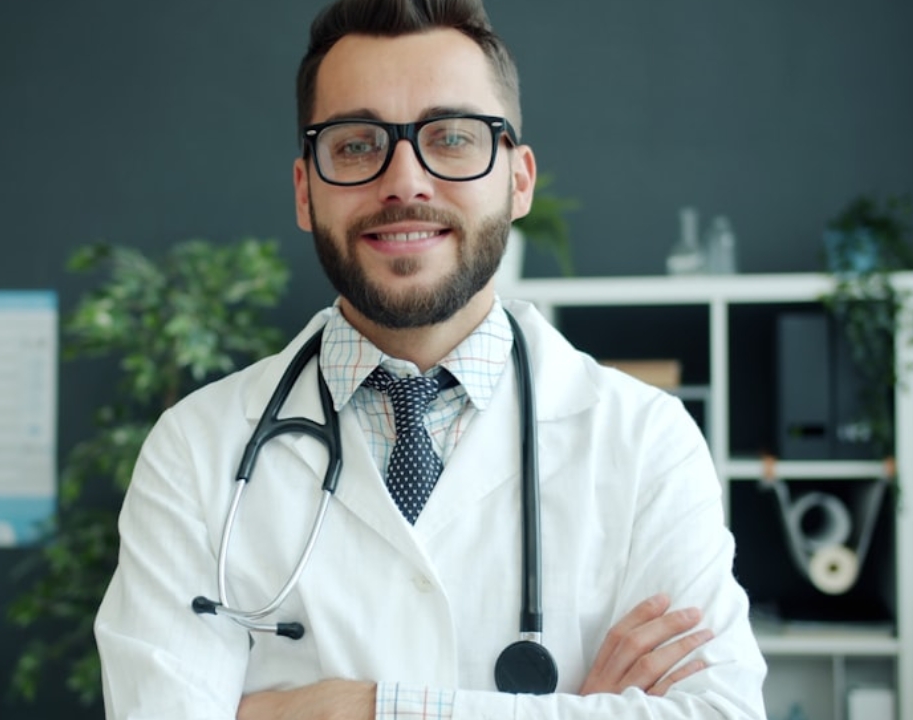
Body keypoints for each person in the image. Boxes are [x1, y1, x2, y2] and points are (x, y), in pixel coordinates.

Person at [94, 0, 767, 718]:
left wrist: (357, 709)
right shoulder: (195, 452)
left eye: (450, 137)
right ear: (303, 190)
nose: (405, 182)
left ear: (519, 180)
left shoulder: (646, 443)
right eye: (355, 145)